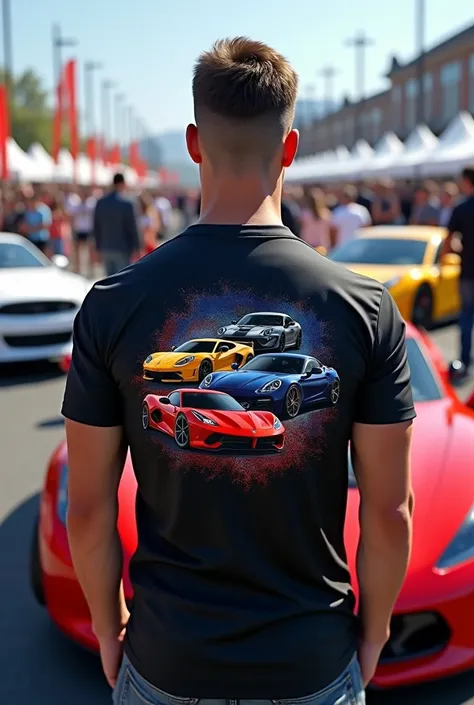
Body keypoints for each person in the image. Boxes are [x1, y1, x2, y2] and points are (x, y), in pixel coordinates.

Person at [63, 37, 415, 705]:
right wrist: (373, 635)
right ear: (290, 148)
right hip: (311, 663)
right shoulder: (365, 307)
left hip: (167, 660)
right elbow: (391, 509)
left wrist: (109, 629)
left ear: (194, 144)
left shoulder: (113, 304)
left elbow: (87, 510)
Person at [443, 166, 474, 380]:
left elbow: (448, 239)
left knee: (466, 316)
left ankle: (464, 359)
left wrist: (456, 249)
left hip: (469, 270)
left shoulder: (462, 208)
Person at [92, 173, 141, 276]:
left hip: (105, 247)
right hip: (122, 248)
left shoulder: (101, 202)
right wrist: (137, 247)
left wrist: (97, 247)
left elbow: (96, 226)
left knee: (109, 280)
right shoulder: (127, 204)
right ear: (123, 184)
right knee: (122, 279)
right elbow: (132, 227)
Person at [66, 186, 97, 274]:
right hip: (79, 229)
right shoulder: (75, 203)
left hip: (89, 229)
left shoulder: (92, 203)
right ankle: (78, 270)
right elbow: (71, 216)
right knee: (78, 250)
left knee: (91, 250)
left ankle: (91, 269)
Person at [18, 188, 52, 255]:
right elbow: (24, 225)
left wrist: (31, 229)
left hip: (42, 240)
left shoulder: (44, 209)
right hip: (31, 240)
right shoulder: (27, 211)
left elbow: (46, 224)